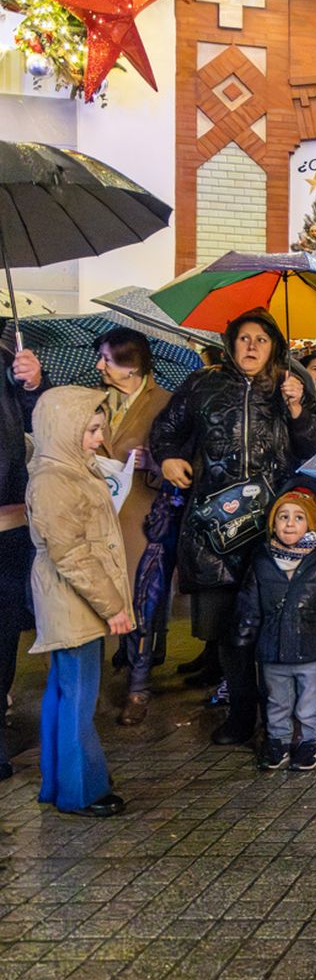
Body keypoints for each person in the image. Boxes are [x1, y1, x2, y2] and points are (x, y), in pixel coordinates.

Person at [149, 309, 316, 747]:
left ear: (274, 347)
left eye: (261, 340)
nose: (251, 346)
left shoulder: (289, 385)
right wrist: (168, 456)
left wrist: (297, 408)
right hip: (215, 527)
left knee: (271, 621)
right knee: (229, 626)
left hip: (271, 526)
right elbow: (166, 430)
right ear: (231, 343)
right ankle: (240, 712)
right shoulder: (202, 383)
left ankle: (277, 716)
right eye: (244, 338)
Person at [26, 387, 133, 816]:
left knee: (65, 691)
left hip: (73, 601)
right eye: (89, 429)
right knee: (79, 697)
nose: (97, 437)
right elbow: (71, 554)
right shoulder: (57, 479)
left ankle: (60, 781)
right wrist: (114, 607)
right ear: (63, 429)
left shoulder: (68, 469)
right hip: (76, 602)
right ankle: (82, 789)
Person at [235, 487, 316, 772]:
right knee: (276, 700)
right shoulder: (262, 561)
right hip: (272, 648)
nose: (290, 523)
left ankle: (310, 741)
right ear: (273, 524)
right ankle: (278, 740)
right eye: (283, 517)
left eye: (299, 517)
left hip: (312, 647)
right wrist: (245, 631)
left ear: (311, 525)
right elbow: (249, 601)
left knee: (311, 701)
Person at [91, 328, 171, 726]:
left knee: (141, 603)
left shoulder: (164, 404)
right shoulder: (96, 401)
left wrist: (152, 465)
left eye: (107, 359)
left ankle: (138, 688)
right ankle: (106, 671)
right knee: (102, 598)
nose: (100, 366)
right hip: (97, 519)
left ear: (133, 366)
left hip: (140, 519)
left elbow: (179, 465)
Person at [0, 342, 45, 781]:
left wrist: (33, 385)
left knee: (4, 633)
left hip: (8, 526)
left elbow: (39, 430)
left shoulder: (8, 355)